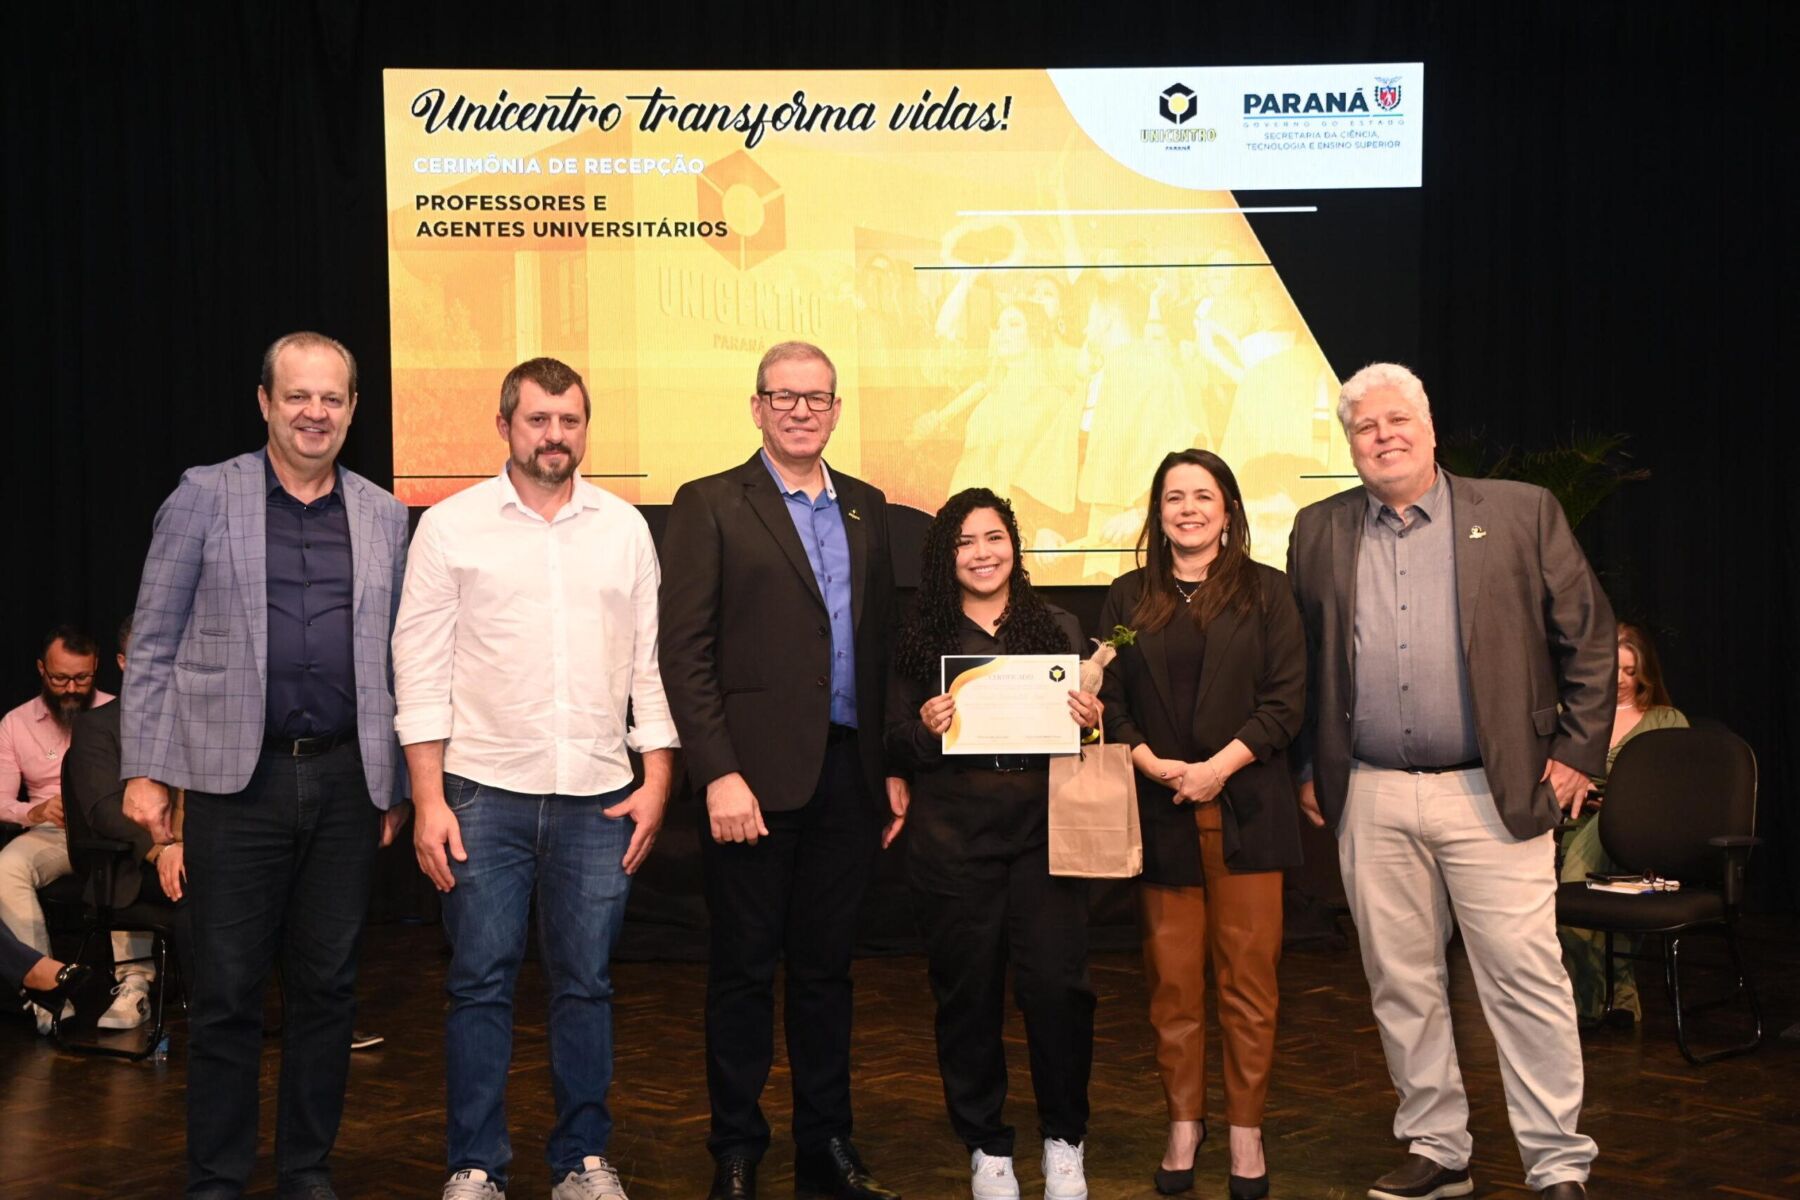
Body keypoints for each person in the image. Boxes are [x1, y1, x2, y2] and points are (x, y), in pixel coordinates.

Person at [1287, 363, 1614, 1200]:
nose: (1383, 436)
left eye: (1398, 420)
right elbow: (1305, 663)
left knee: (1526, 982)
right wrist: (1310, 768)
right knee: (1401, 984)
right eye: (1365, 427)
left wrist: (1578, 753)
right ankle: (1437, 1148)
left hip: (1493, 792)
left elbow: (1587, 636)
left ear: (1429, 428)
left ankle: (1557, 1162)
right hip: (1372, 792)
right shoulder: (1318, 529)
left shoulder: (1520, 512)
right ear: (1350, 444)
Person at [120, 331, 412, 1200]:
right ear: (264, 403)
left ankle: (305, 1172)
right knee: (225, 996)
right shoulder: (204, 496)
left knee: (328, 991)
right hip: (231, 784)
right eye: (297, 396)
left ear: (353, 410)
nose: (315, 413)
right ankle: (216, 1179)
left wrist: (397, 778)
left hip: (347, 783)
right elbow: (154, 642)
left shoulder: (384, 514)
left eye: (332, 398)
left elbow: (402, 658)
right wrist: (145, 769)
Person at [395, 356, 677, 1200]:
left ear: (585, 428)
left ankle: (581, 1162)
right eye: (539, 420)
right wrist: (427, 799)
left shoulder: (624, 528)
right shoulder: (450, 526)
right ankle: (476, 1165)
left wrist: (657, 778)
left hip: (601, 796)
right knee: (479, 984)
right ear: (505, 426)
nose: (555, 435)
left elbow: (649, 665)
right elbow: (418, 668)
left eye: (570, 420)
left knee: (586, 985)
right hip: (481, 793)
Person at [659, 341, 906, 1200]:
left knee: (827, 974)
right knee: (742, 973)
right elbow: (684, 651)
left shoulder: (868, 507)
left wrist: (888, 763)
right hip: (751, 786)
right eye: (784, 396)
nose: (802, 411)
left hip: (847, 778)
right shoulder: (710, 503)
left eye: (817, 398)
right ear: (757, 407)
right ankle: (736, 1148)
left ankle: (826, 1144)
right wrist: (718, 772)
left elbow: (879, 649)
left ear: (837, 410)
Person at [1097, 450, 1305, 1200]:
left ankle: (1246, 1129)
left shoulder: (1270, 592)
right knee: (1172, 986)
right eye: (1173, 497)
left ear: (1228, 511)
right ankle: (1184, 1123)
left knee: (1248, 985)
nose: (1188, 509)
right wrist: (1150, 762)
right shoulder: (1128, 597)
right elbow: (1109, 700)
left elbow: (1286, 702)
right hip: (1161, 813)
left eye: (1203, 496)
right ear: (1158, 513)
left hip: (1248, 811)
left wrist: (1217, 768)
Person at [885, 488, 1101, 1200]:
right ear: (945, 557)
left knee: (1058, 991)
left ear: (1014, 545)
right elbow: (895, 740)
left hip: (1046, 837)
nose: (982, 554)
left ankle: (1065, 1138)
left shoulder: (1058, 626)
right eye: (965, 542)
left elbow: (1092, 733)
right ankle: (987, 1146)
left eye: (994, 537)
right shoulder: (921, 635)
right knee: (968, 996)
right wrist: (926, 726)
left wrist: (1091, 717)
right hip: (954, 839)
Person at [0, 625, 135, 1034]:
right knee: (5, 868)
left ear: (98, 667)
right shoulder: (16, 722)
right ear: (42, 669)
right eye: (60, 678)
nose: (72, 689)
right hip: (53, 833)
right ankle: (46, 993)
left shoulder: (123, 712)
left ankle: (135, 983)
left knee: (129, 854)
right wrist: (35, 811)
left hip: (113, 829)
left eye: (82, 678)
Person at [61, 617, 195, 1018]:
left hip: (202, 850)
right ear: (123, 662)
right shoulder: (97, 726)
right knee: (203, 891)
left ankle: (306, 1008)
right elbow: (105, 810)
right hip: (134, 864)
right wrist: (164, 848)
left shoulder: (200, 719)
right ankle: (214, 1012)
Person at [1557, 622, 1688, 1025]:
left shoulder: (1665, 720)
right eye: (1614, 670)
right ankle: (1611, 1000)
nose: (1621, 681)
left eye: (1631, 671)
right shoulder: (1575, 718)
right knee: (1572, 920)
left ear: (1644, 673)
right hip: (1573, 823)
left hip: (1637, 834)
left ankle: (1600, 1003)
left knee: (1587, 902)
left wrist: (1621, 801)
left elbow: (1679, 792)